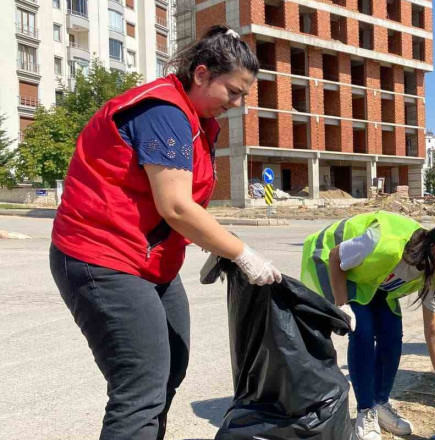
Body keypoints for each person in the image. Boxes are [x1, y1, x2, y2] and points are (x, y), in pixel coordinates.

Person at [49, 26, 283, 440]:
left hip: (148, 262)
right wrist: (242, 252)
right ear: (201, 74)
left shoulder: (193, 119)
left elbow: (182, 208)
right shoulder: (163, 112)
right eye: (232, 91)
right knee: (140, 387)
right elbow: (175, 206)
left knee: (171, 365)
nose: (238, 104)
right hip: (101, 258)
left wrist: (221, 244)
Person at [300, 212, 435, 440]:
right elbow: (335, 256)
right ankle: (366, 411)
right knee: (361, 331)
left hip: (373, 282)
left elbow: (434, 330)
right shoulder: (385, 242)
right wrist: (342, 305)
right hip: (330, 263)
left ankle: (380, 403)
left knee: (392, 336)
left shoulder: (434, 273)